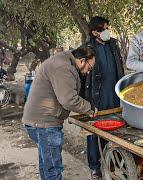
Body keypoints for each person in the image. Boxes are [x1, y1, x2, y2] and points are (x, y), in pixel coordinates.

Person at [22, 44, 96, 180]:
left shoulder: (64, 60)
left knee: (46, 164)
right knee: (53, 169)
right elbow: (68, 99)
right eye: (89, 67)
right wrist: (90, 109)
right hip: (45, 124)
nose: (89, 72)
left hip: (37, 121)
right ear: (81, 61)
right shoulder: (63, 67)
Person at [80, 16, 125, 179]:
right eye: (103, 29)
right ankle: (94, 167)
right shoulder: (86, 48)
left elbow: (119, 67)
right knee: (94, 131)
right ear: (94, 32)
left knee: (115, 128)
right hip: (96, 96)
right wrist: (84, 101)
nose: (106, 31)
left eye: (107, 28)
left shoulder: (113, 44)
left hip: (113, 93)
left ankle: (112, 162)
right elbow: (82, 77)